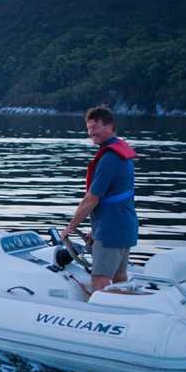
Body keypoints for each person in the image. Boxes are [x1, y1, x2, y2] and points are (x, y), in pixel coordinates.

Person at [61, 106, 138, 293]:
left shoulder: (109, 158)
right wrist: (95, 230)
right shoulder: (120, 153)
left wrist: (70, 227)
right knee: (119, 278)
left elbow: (92, 199)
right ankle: (126, 310)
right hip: (124, 226)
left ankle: (106, 318)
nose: (91, 132)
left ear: (110, 127)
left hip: (111, 231)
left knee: (100, 283)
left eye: (95, 127)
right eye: (88, 128)